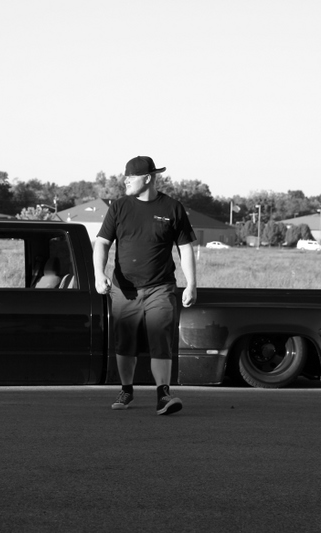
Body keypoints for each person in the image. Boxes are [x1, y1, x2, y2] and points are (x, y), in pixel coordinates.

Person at [93, 155, 197, 415]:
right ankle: (126, 389)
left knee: (160, 340)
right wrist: (98, 274)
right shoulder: (119, 207)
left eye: (131, 176)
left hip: (160, 288)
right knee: (125, 343)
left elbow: (185, 248)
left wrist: (192, 284)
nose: (125, 181)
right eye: (125, 176)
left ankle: (163, 395)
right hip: (124, 290)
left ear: (148, 178)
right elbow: (102, 243)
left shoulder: (172, 208)